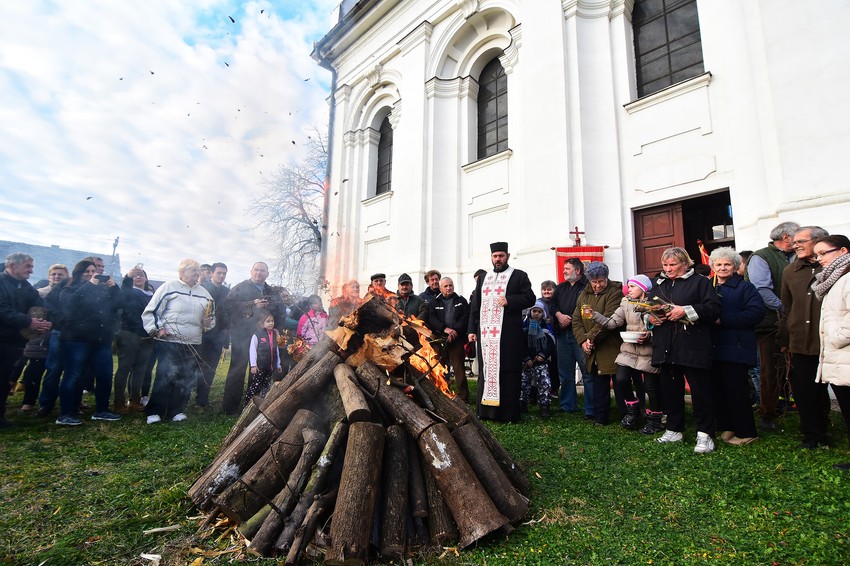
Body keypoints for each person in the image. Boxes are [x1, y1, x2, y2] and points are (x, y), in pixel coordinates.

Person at [648, 247, 722, 453]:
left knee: (701, 392)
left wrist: (686, 310)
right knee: (670, 391)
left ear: (685, 263)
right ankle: (674, 429)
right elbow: (647, 308)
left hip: (693, 346)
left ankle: (705, 434)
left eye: (673, 265)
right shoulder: (658, 284)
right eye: (665, 265)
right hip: (665, 346)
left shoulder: (701, 282)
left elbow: (713, 309)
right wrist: (650, 318)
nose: (668, 269)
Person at [468, 242, 536, 422]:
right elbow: (476, 305)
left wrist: (509, 300)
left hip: (508, 335)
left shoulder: (518, 276)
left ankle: (508, 413)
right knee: (486, 370)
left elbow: (530, 298)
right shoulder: (483, 278)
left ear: (507, 255)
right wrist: (471, 330)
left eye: (501, 256)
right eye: (495, 256)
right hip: (486, 334)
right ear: (491, 257)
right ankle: (486, 412)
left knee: (508, 370)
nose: (498, 259)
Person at [779, 226, 832, 449]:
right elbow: (787, 308)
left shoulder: (833, 267)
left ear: (820, 241)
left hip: (831, 340)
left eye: (802, 241)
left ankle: (827, 427)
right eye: (794, 241)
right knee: (805, 390)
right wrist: (785, 339)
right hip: (801, 341)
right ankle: (812, 434)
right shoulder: (790, 272)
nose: (796, 245)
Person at [142, 259, 214, 424]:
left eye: (197, 271)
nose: (196, 274)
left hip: (192, 341)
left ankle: (176, 410)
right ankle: (154, 411)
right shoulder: (169, 287)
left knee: (186, 375)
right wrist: (157, 329)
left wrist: (207, 323)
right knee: (165, 374)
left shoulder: (204, 294)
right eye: (192, 271)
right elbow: (152, 312)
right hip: (170, 340)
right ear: (181, 272)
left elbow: (211, 318)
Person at [589, 274, 661, 432]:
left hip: (649, 350)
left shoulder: (655, 303)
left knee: (651, 387)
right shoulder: (626, 302)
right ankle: (633, 410)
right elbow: (613, 323)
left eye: (633, 286)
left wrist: (650, 336)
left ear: (643, 288)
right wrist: (595, 315)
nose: (629, 289)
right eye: (629, 286)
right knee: (621, 379)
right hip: (629, 349)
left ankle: (655, 420)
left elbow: (661, 326)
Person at [747, 221, 800, 431]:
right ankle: (767, 413)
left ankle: (799, 407)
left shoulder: (797, 256)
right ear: (786, 237)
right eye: (797, 237)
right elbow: (762, 290)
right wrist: (787, 310)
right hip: (770, 324)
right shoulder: (761, 257)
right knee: (770, 371)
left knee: (799, 368)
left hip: (797, 324)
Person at [710, 247, 764, 445]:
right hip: (713, 347)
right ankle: (727, 426)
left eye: (727, 264)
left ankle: (747, 432)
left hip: (736, 347)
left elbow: (756, 313)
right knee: (718, 391)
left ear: (735, 266)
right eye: (719, 264)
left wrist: (722, 320)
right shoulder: (709, 286)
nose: (723, 268)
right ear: (713, 266)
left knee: (736, 392)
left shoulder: (745, 288)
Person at [56, 260, 122, 425]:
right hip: (76, 339)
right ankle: (66, 413)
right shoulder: (69, 288)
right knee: (73, 376)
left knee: (105, 375)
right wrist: (89, 286)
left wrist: (114, 288)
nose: (92, 274)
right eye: (87, 271)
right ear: (79, 272)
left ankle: (102, 410)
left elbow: (119, 304)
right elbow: (70, 305)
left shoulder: (103, 289)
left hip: (101, 339)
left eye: (94, 270)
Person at [812, 234, 850, 470]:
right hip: (839, 358)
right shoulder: (835, 279)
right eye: (816, 255)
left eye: (823, 253)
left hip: (843, 353)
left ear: (843, 251)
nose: (818, 259)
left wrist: (834, 340)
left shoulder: (847, 278)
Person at [221, 262, 280, 415]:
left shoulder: (270, 291)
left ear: (267, 273)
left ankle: (253, 405)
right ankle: (230, 407)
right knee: (238, 368)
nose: (259, 273)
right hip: (242, 333)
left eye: (262, 271)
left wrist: (277, 327)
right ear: (251, 271)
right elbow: (227, 305)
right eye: (256, 270)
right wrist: (252, 304)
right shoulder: (241, 287)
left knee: (259, 370)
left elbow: (279, 310)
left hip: (263, 337)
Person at [1, 253, 51, 428]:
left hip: (15, 340)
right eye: (28, 266)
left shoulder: (26, 287)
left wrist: (45, 320)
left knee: (5, 377)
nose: (31, 270)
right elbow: (2, 310)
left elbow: (40, 305)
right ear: (13, 266)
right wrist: (28, 321)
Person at [571, 262, 623, 426]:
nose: (597, 285)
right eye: (594, 282)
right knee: (599, 383)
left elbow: (608, 320)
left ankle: (626, 416)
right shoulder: (584, 294)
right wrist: (582, 341)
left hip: (611, 345)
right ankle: (601, 417)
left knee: (619, 383)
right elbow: (576, 320)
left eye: (601, 281)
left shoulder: (615, 292)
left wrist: (590, 339)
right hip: (592, 346)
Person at [551, 258, 592, 416]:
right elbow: (552, 305)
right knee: (565, 373)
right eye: (564, 268)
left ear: (578, 270)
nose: (564, 271)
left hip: (580, 335)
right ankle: (568, 406)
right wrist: (559, 315)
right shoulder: (560, 287)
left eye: (567, 268)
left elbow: (588, 308)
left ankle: (590, 408)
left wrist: (571, 320)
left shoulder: (587, 286)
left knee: (587, 372)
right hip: (562, 335)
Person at [112, 267, 154, 413]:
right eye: (135, 276)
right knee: (124, 368)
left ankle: (135, 401)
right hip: (129, 333)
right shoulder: (128, 292)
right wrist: (127, 277)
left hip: (147, 336)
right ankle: (118, 402)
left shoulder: (151, 294)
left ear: (146, 278)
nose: (138, 277)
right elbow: (123, 288)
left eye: (141, 275)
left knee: (140, 370)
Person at [427, 277, 470, 402]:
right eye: (445, 286)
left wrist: (454, 330)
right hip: (440, 339)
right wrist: (445, 329)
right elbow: (432, 318)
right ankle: (443, 393)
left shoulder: (461, 300)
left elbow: (465, 317)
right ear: (440, 288)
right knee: (441, 366)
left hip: (457, 338)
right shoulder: (434, 302)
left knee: (458, 367)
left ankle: (463, 397)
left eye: (450, 285)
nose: (448, 288)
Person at [197, 262, 229, 408]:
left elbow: (228, 315)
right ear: (212, 273)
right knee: (196, 367)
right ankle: (185, 398)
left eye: (224, 273)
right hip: (200, 335)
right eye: (219, 273)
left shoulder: (227, 292)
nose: (221, 276)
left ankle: (202, 400)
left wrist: (225, 338)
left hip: (218, 336)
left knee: (210, 369)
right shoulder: (202, 289)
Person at [520, 300, 554, 418]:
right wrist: (526, 358)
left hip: (541, 361)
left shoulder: (546, 327)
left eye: (539, 312)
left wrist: (543, 355)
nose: (536, 314)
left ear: (543, 313)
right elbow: (520, 344)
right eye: (534, 311)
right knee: (524, 383)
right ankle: (522, 404)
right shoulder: (524, 326)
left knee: (544, 383)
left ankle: (544, 406)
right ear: (530, 312)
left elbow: (551, 343)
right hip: (527, 362)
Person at [248, 311, 280, 401]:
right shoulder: (257, 335)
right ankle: (248, 406)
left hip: (270, 368)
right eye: (268, 321)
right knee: (255, 388)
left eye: (272, 321)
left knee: (266, 388)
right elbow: (252, 351)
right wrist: (253, 365)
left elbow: (276, 350)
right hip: (259, 368)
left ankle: (262, 406)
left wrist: (278, 365)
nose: (271, 323)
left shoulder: (274, 335)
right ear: (262, 324)